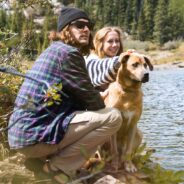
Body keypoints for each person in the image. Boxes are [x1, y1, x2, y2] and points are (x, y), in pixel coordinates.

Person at [8, 7, 122, 183]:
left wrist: (91, 95)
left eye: (88, 25)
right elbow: (94, 103)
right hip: (34, 138)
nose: (86, 29)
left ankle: (39, 161)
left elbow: (77, 94)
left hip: (20, 136)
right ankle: (55, 169)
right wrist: (100, 96)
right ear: (66, 29)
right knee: (113, 117)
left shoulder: (54, 50)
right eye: (79, 25)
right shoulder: (69, 54)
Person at [85, 27, 124, 91]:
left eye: (117, 41)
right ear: (100, 43)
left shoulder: (115, 59)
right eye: (110, 41)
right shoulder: (92, 60)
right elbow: (104, 69)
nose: (115, 45)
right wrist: (124, 58)